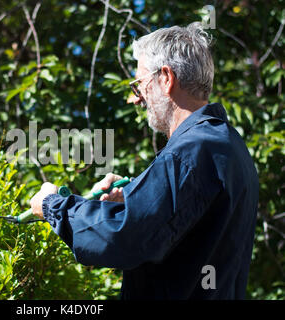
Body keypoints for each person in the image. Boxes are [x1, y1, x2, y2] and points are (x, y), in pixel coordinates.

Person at [29, 22, 259, 299]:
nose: (138, 99)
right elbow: (186, 225)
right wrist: (135, 195)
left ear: (166, 78)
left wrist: (53, 205)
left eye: (140, 85)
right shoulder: (229, 145)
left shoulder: (190, 151)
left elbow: (124, 239)